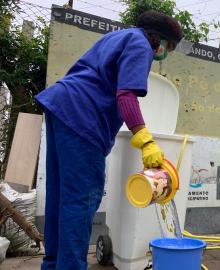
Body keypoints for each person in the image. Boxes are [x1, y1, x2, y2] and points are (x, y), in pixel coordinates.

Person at [35, 11, 183, 270]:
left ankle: (53, 265)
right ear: (157, 39)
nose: (164, 53)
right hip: (83, 117)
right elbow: (126, 95)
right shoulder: (141, 45)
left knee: (61, 197)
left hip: (61, 106)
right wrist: (145, 140)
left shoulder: (118, 37)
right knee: (81, 200)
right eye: (168, 46)